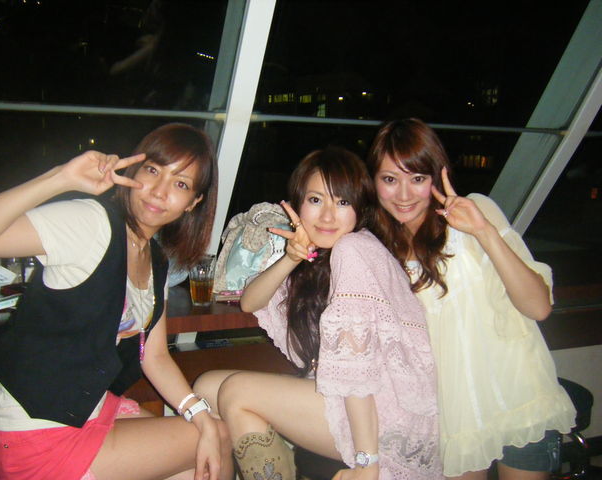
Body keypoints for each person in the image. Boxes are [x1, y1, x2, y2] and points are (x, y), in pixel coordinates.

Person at [0, 123, 233, 480]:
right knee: (216, 439)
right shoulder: (92, 224)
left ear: (193, 203)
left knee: (203, 448)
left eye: (180, 184)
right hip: (35, 433)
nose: (159, 191)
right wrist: (60, 179)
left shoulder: (155, 260)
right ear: (133, 172)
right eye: (153, 171)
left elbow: (154, 356)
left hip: (89, 412)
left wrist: (199, 413)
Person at [194, 146, 443, 480]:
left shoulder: (355, 250)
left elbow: (357, 369)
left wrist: (367, 463)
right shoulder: (316, 259)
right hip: (344, 398)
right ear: (297, 204)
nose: (327, 216)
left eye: (342, 202)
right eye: (315, 200)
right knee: (207, 386)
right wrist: (291, 257)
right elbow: (251, 302)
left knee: (237, 391)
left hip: (384, 417)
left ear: (360, 208)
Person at [367, 118, 576, 480]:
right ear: (373, 181)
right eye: (390, 179)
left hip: (520, 398)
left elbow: (538, 307)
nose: (403, 194)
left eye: (417, 178)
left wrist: (483, 231)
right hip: (455, 417)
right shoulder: (381, 250)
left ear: (437, 176)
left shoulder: (474, 212)